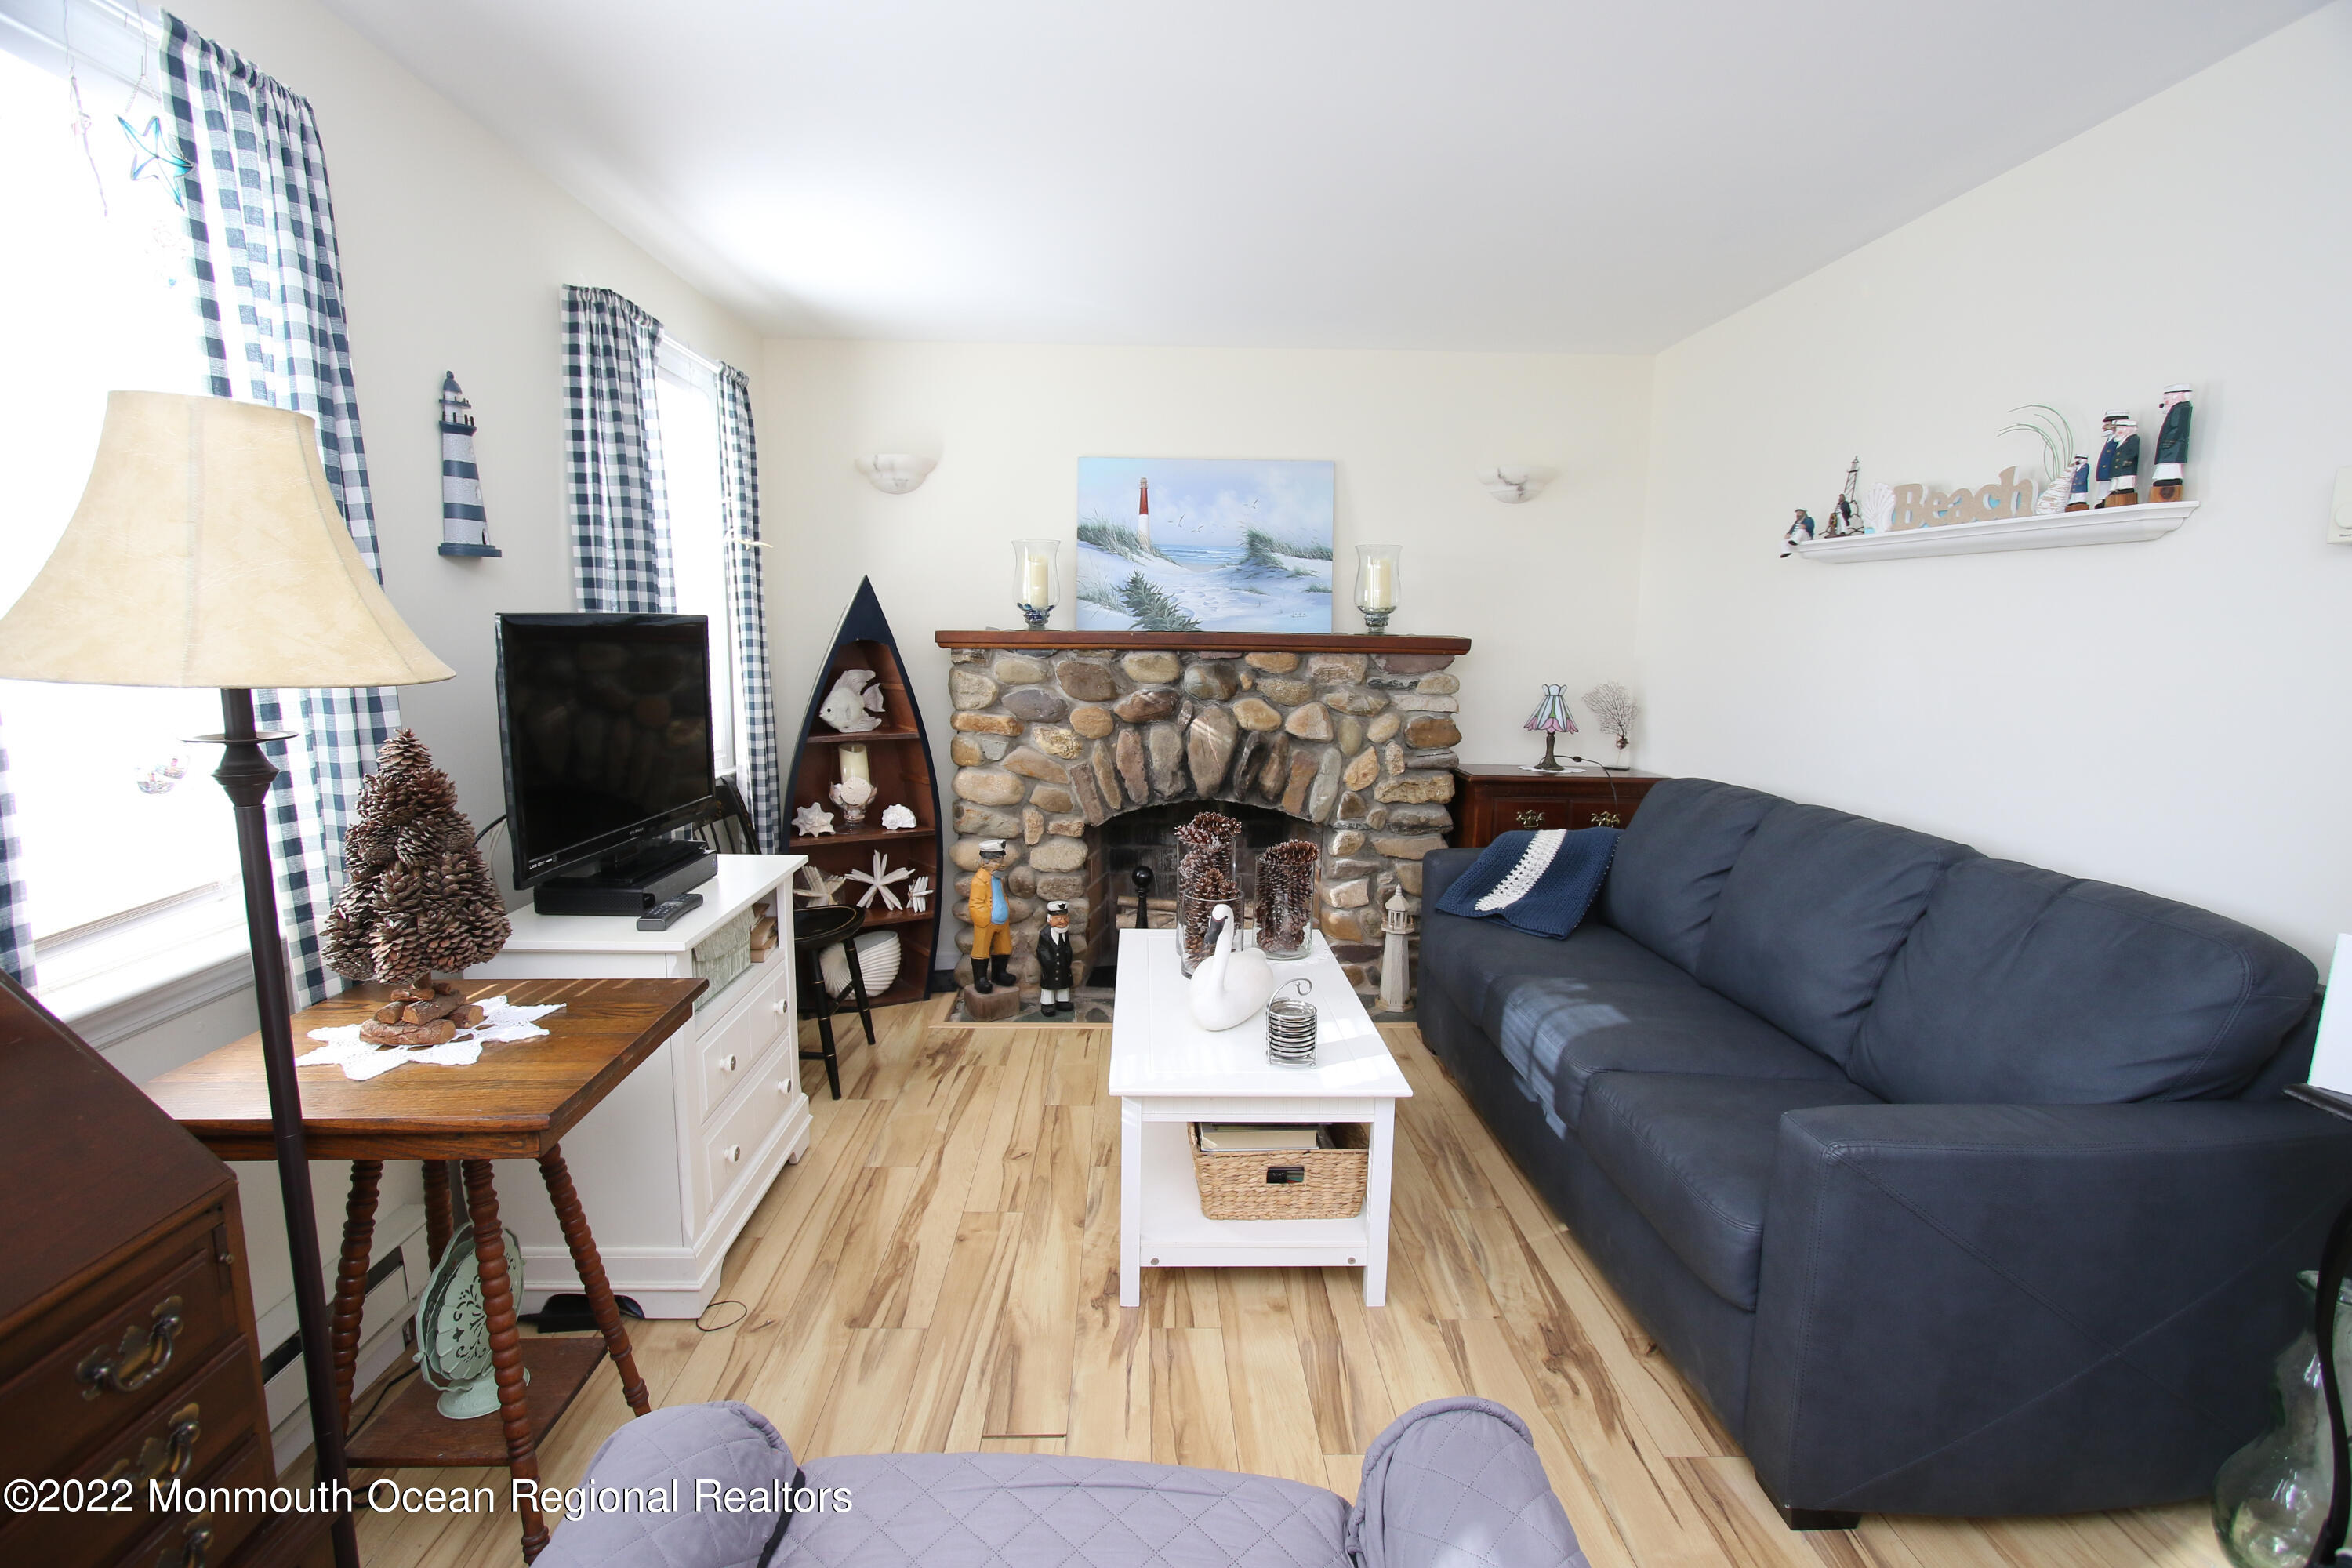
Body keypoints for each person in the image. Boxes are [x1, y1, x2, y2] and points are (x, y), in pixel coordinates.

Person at [967, 839, 1014, 993]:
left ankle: (999, 974)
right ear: (985, 861)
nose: (1000, 864)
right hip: (987, 921)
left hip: (1002, 921)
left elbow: (1001, 895)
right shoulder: (979, 880)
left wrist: (1005, 910)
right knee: (981, 949)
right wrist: (985, 918)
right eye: (996, 861)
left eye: (1001, 860)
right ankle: (980, 979)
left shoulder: (997, 878)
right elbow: (975, 903)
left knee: (1004, 947)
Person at [1035, 900, 1075, 1017]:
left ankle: (1062, 1001)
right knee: (1049, 986)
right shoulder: (1045, 934)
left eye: (1065, 918)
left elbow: (1067, 947)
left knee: (1064, 984)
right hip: (1050, 967)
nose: (1062, 922)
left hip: (1063, 966)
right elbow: (1041, 950)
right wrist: (1048, 962)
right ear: (1050, 919)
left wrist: (1068, 958)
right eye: (1058, 919)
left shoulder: (1065, 933)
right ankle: (1047, 1004)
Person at [2153, 385, 2192, 501]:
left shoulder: (2180, 409)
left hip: (2173, 446)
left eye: (2167, 397)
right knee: (2167, 465)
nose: (2165, 401)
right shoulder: (2177, 409)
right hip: (2171, 447)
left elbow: (2176, 428)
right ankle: (2165, 479)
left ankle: (2169, 480)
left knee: (2171, 465)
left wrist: (2169, 441)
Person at [2100, 416, 2141, 507]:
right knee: (2118, 482)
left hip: (2126, 468)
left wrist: (2126, 462)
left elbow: (2132, 452)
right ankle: (2118, 490)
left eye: (2120, 429)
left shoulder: (2133, 439)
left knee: (2125, 481)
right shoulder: (2120, 440)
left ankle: (2124, 490)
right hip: (2118, 469)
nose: (2117, 432)